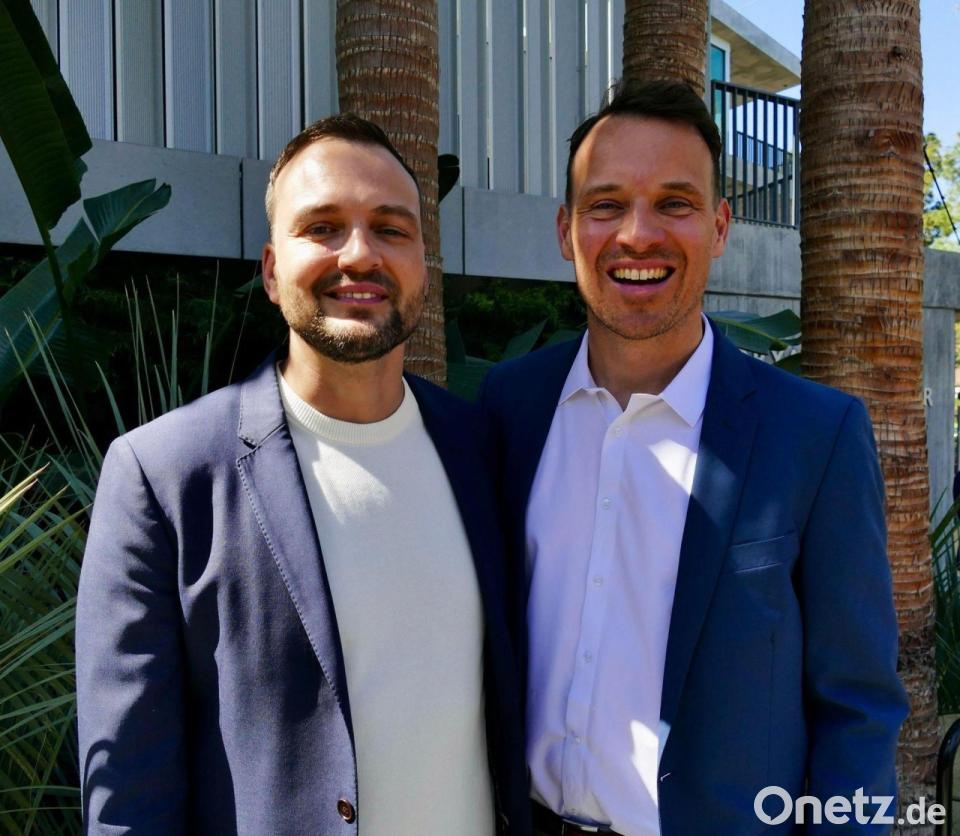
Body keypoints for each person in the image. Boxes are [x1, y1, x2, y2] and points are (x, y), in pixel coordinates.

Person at [77, 114, 530, 835]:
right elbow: (129, 797)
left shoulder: (482, 447)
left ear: (423, 264)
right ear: (270, 269)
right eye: (322, 227)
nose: (360, 254)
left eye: (391, 228)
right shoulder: (164, 476)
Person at [480, 80, 908, 835]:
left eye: (674, 203)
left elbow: (858, 709)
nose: (637, 234)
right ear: (566, 230)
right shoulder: (508, 407)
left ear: (719, 227)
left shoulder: (816, 435)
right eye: (606, 204)